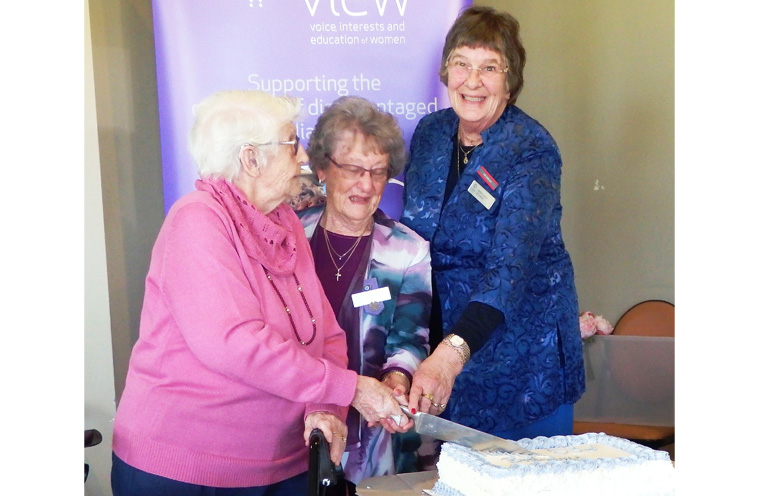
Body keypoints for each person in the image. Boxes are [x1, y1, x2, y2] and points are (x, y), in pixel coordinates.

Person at [110, 90, 406, 496]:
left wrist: (325, 407)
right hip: (188, 471)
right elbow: (234, 343)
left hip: (282, 465)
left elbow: (327, 335)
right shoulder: (197, 220)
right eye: (291, 143)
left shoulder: (283, 221)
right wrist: (349, 388)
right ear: (251, 158)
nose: (303, 156)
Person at [400, 6, 586, 441]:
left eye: (489, 68)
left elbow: (510, 270)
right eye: (461, 64)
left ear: (510, 80)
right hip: (447, 351)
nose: (472, 80)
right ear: (446, 71)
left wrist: (450, 354)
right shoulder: (429, 133)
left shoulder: (531, 151)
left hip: (523, 360)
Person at [295, 96, 431, 490]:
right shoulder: (288, 235)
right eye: (353, 169)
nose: (366, 184)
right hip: (284, 431)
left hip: (369, 436)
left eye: (377, 171)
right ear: (322, 168)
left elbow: (410, 339)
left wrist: (397, 380)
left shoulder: (407, 250)